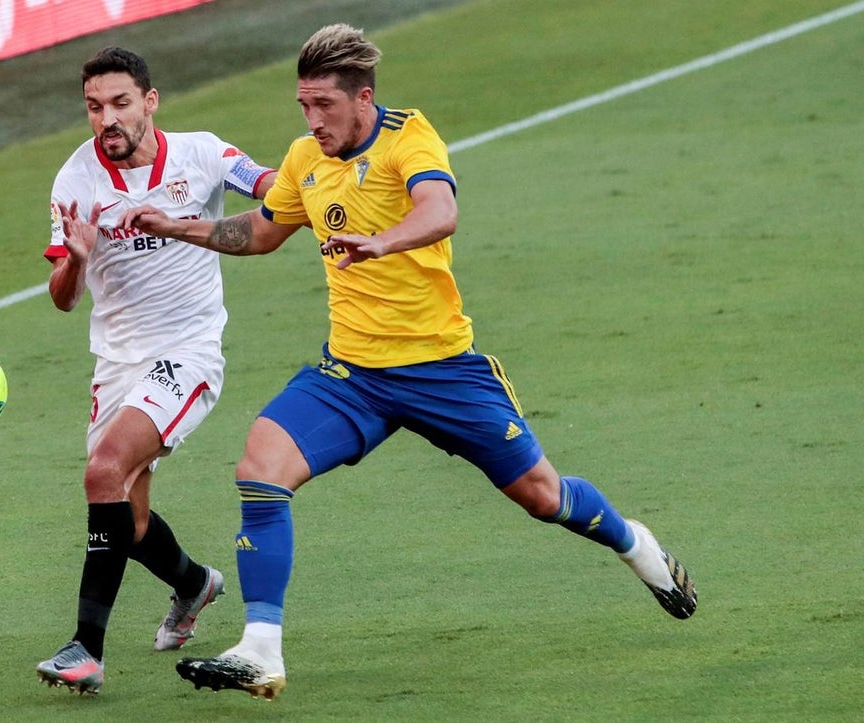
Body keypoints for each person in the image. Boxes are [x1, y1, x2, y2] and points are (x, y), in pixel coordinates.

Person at [121, 24, 697, 701]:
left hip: (443, 370)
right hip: (353, 376)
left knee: (544, 496)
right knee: (260, 467)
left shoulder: (408, 136)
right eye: (303, 106)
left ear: (362, 98)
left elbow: (441, 210)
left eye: (324, 107)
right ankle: (261, 649)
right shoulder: (307, 157)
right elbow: (259, 231)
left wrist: (383, 243)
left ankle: (636, 543)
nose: (312, 121)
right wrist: (175, 226)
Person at [34, 46, 277, 696]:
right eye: (93, 107)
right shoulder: (75, 182)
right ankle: (194, 583)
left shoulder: (202, 154)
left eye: (118, 103)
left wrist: (189, 223)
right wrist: (77, 258)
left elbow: (277, 190)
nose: (105, 119)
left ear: (150, 101)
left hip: (189, 352)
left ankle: (85, 648)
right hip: (116, 362)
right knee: (128, 519)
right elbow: (62, 297)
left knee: (103, 470)